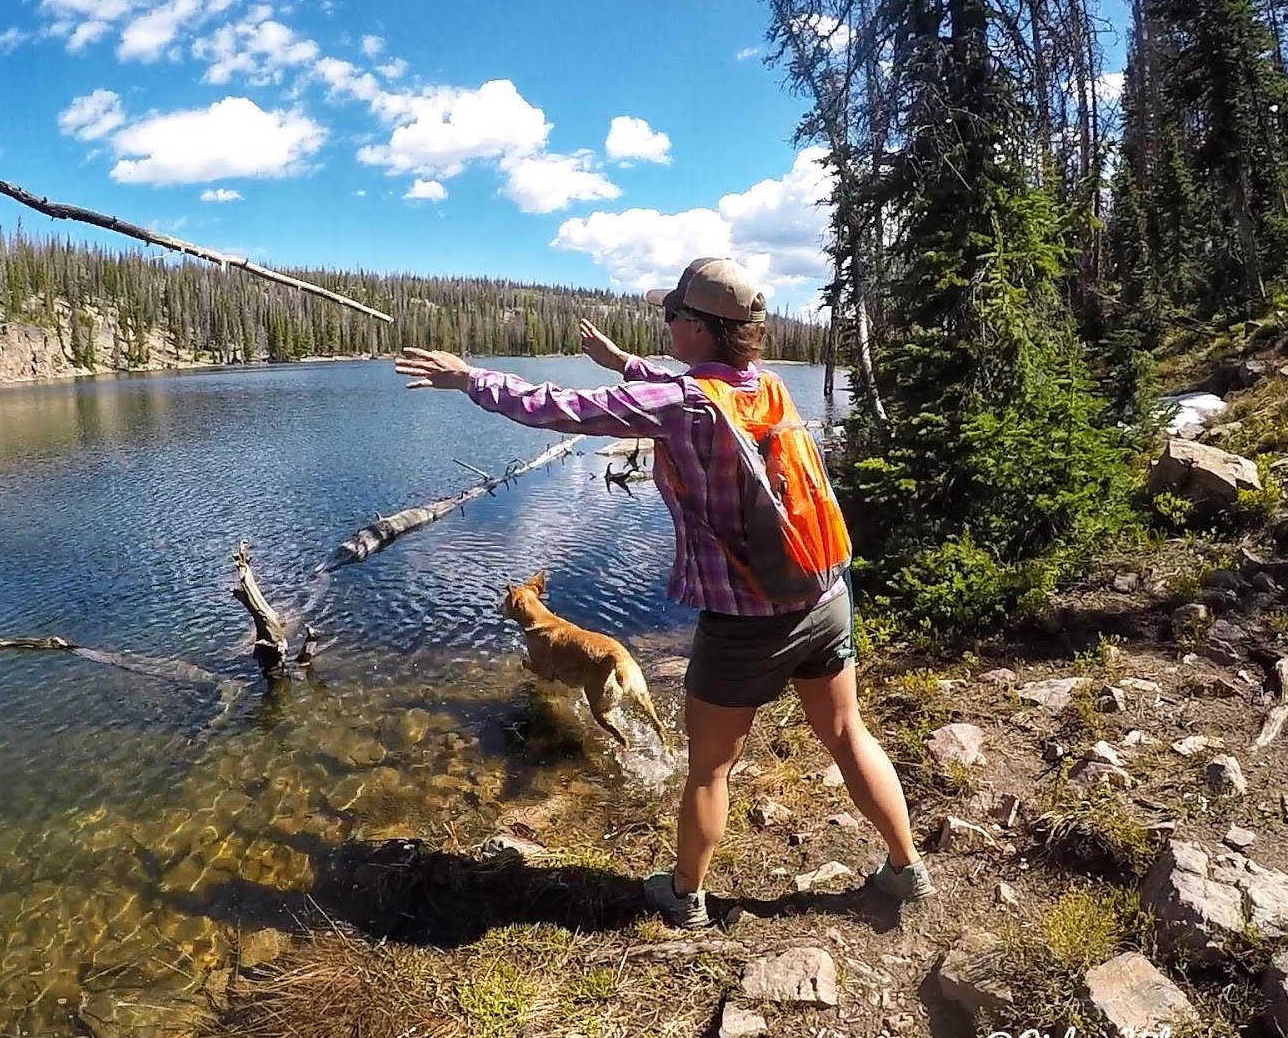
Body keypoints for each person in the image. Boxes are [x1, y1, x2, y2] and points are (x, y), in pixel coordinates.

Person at [393, 257, 932, 929]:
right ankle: (907, 867)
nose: (666, 325)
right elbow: (698, 395)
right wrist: (627, 364)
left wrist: (470, 378)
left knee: (709, 769)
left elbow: (564, 408)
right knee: (849, 732)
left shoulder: (682, 406)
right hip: (824, 595)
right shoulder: (766, 387)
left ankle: (684, 895)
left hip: (746, 620)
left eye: (671, 315)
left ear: (699, 328)